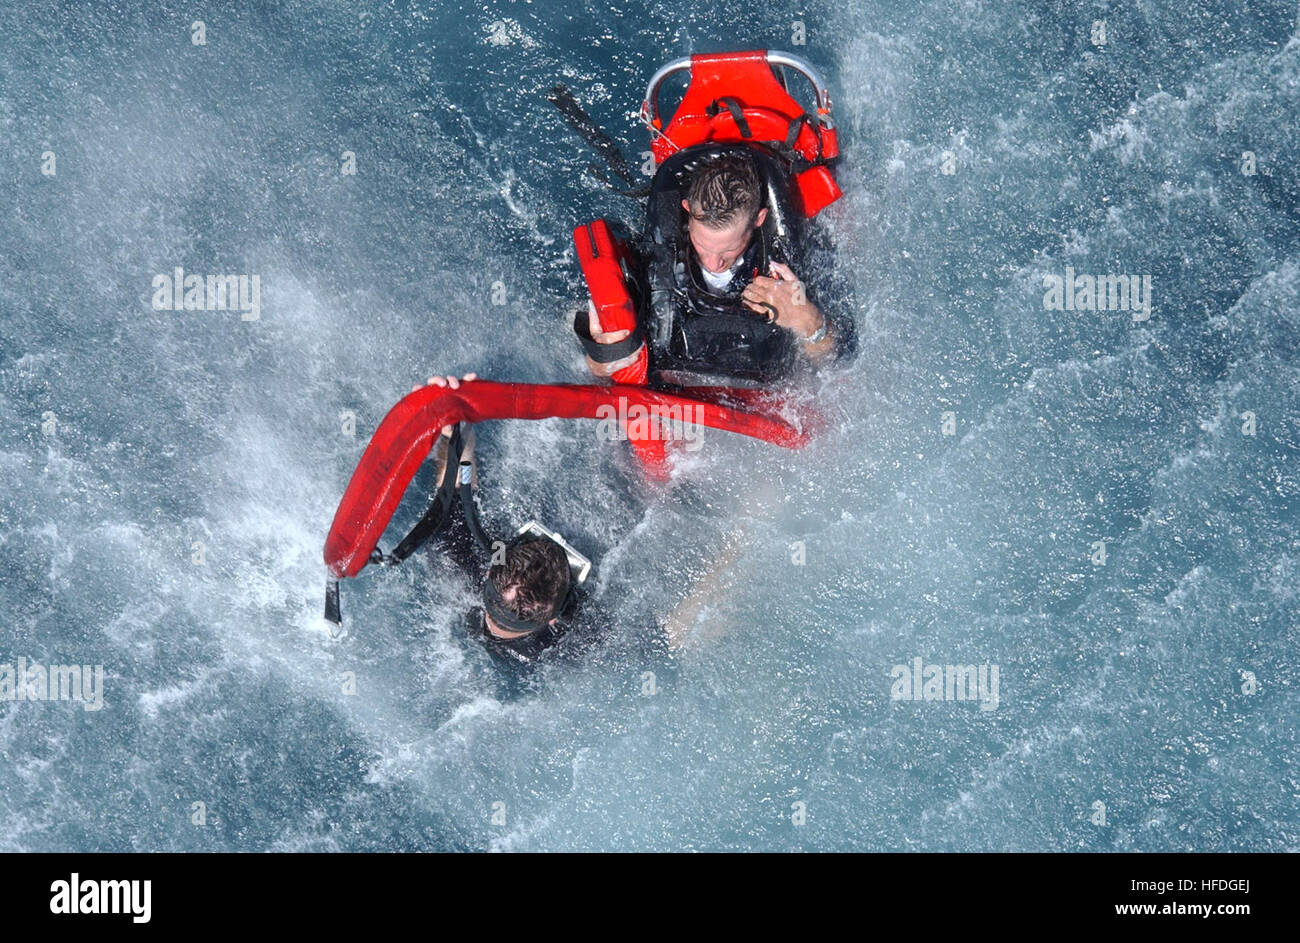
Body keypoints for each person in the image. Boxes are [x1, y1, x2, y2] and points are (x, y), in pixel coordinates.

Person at [583, 153, 853, 382]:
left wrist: (810, 322)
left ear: (759, 220)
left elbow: (839, 363)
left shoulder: (798, 266)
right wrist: (603, 356)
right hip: (673, 394)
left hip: (764, 397)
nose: (713, 262)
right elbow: (597, 371)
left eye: (728, 250)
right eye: (702, 244)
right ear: (687, 210)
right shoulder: (647, 257)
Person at [413, 373, 600, 671]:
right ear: (555, 618)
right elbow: (669, 637)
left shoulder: (455, 564)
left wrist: (453, 427)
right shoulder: (580, 638)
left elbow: (457, 483)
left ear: (489, 570)